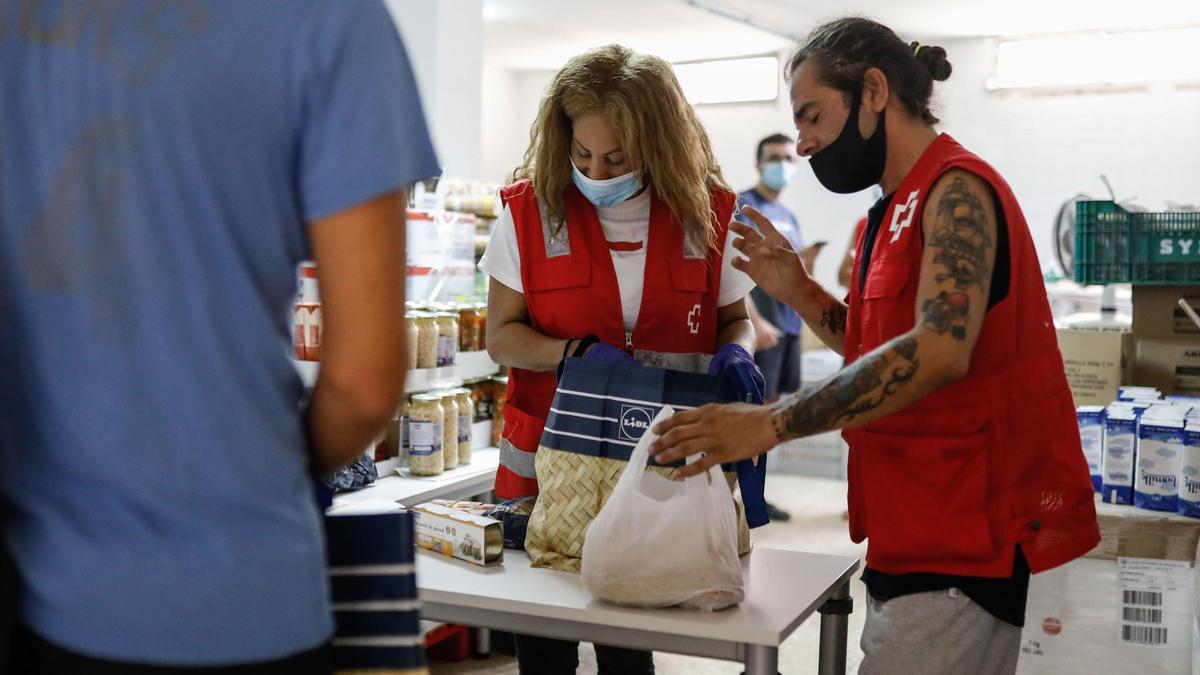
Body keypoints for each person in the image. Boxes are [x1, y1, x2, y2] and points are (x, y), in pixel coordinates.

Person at [649, 18, 1099, 675]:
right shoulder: (890, 210)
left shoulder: (958, 192)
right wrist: (800, 291)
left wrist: (770, 424)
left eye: (813, 117)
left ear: (875, 92)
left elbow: (940, 348)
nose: (801, 144)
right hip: (908, 523)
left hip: (966, 539)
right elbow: (876, 345)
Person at [0, 1, 437, 671]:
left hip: (31, 574)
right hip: (234, 591)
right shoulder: (331, 21)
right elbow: (364, 380)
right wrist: (258, 470)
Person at [479, 44, 759, 675]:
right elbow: (501, 336)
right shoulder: (528, 215)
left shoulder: (708, 215)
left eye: (618, 158)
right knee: (543, 648)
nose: (597, 172)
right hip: (545, 474)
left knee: (629, 651)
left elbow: (735, 320)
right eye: (582, 155)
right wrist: (573, 353)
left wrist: (738, 354)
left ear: (657, 145)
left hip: (657, 466)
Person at [737, 134, 823, 523]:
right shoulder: (745, 206)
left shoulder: (789, 215)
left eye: (789, 158)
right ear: (758, 163)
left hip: (789, 327)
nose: (783, 164)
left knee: (774, 412)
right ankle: (745, 497)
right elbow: (732, 272)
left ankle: (759, 493)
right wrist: (757, 323)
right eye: (775, 157)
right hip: (765, 327)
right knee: (755, 413)